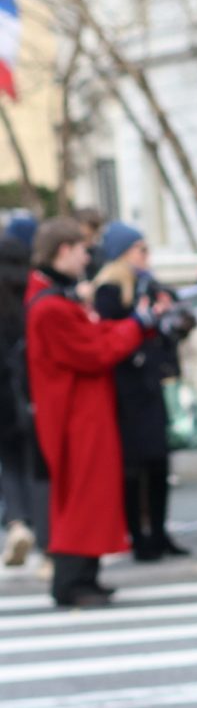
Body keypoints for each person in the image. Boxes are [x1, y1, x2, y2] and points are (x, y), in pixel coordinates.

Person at [23, 216, 140, 608]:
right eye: (82, 250)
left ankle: (85, 576)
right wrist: (136, 326)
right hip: (74, 415)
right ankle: (72, 582)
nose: (87, 257)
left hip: (80, 410)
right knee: (80, 498)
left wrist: (138, 326)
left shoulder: (55, 298)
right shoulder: (50, 306)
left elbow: (94, 339)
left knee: (90, 495)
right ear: (64, 251)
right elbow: (94, 352)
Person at [87, 220, 195, 562]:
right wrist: (142, 320)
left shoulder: (151, 285)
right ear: (123, 253)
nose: (147, 256)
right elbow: (108, 337)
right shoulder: (109, 290)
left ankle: (160, 533)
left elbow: (175, 326)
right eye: (141, 249)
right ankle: (139, 536)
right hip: (127, 388)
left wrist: (175, 318)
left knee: (160, 462)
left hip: (154, 383)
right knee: (133, 466)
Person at [0, 221, 40, 569]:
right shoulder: (32, 294)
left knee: (8, 461)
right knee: (33, 461)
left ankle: (17, 523)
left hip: (1, 394)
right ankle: (41, 529)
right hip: (30, 391)